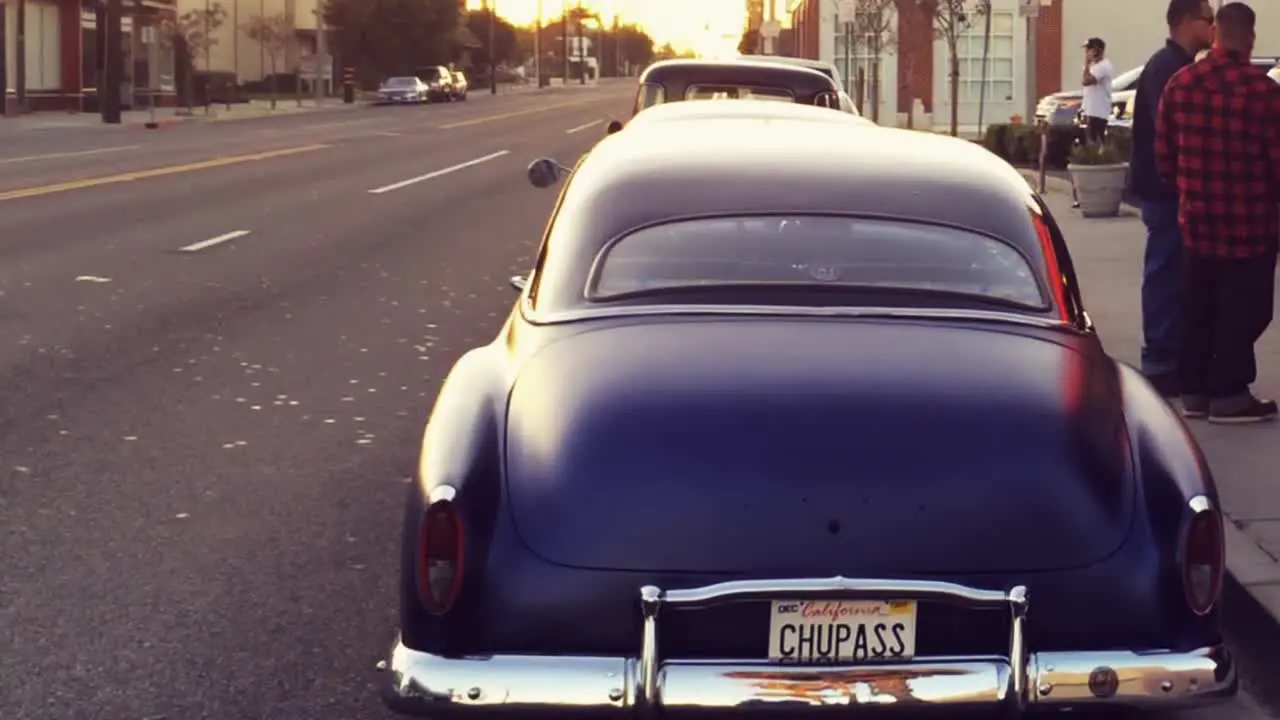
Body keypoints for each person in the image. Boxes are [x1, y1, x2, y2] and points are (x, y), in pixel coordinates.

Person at [1156, 1, 1280, 423]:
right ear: (1250, 39)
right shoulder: (1265, 93)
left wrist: (1192, 191)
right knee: (1246, 308)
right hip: (1252, 225)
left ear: (1214, 35)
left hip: (1199, 223)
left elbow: (1165, 158)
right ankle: (1228, 392)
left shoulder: (1181, 84)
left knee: (1199, 306)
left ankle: (1194, 392)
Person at [1128, 0, 1216, 397]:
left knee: (1174, 272)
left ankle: (1170, 357)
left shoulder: (1172, 65)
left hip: (1169, 189)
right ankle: (1162, 361)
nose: (1213, 27)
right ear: (1185, 22)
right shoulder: (1169, 69)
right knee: (1165, 270)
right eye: (1207, 19)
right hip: (1167, 192)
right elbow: (1174, 133)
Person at [1071, 38, 1115, 209]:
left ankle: (1098, 191)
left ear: (1097, 49)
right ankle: (1081, 195)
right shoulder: (1094, 67)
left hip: (1098, 113)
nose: (1086, 53)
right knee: (1084, 149)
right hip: (1088, 111)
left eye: (1089, 49)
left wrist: (1087, 63)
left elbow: (1086, 81)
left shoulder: (1104, 66)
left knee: (1095, 149)